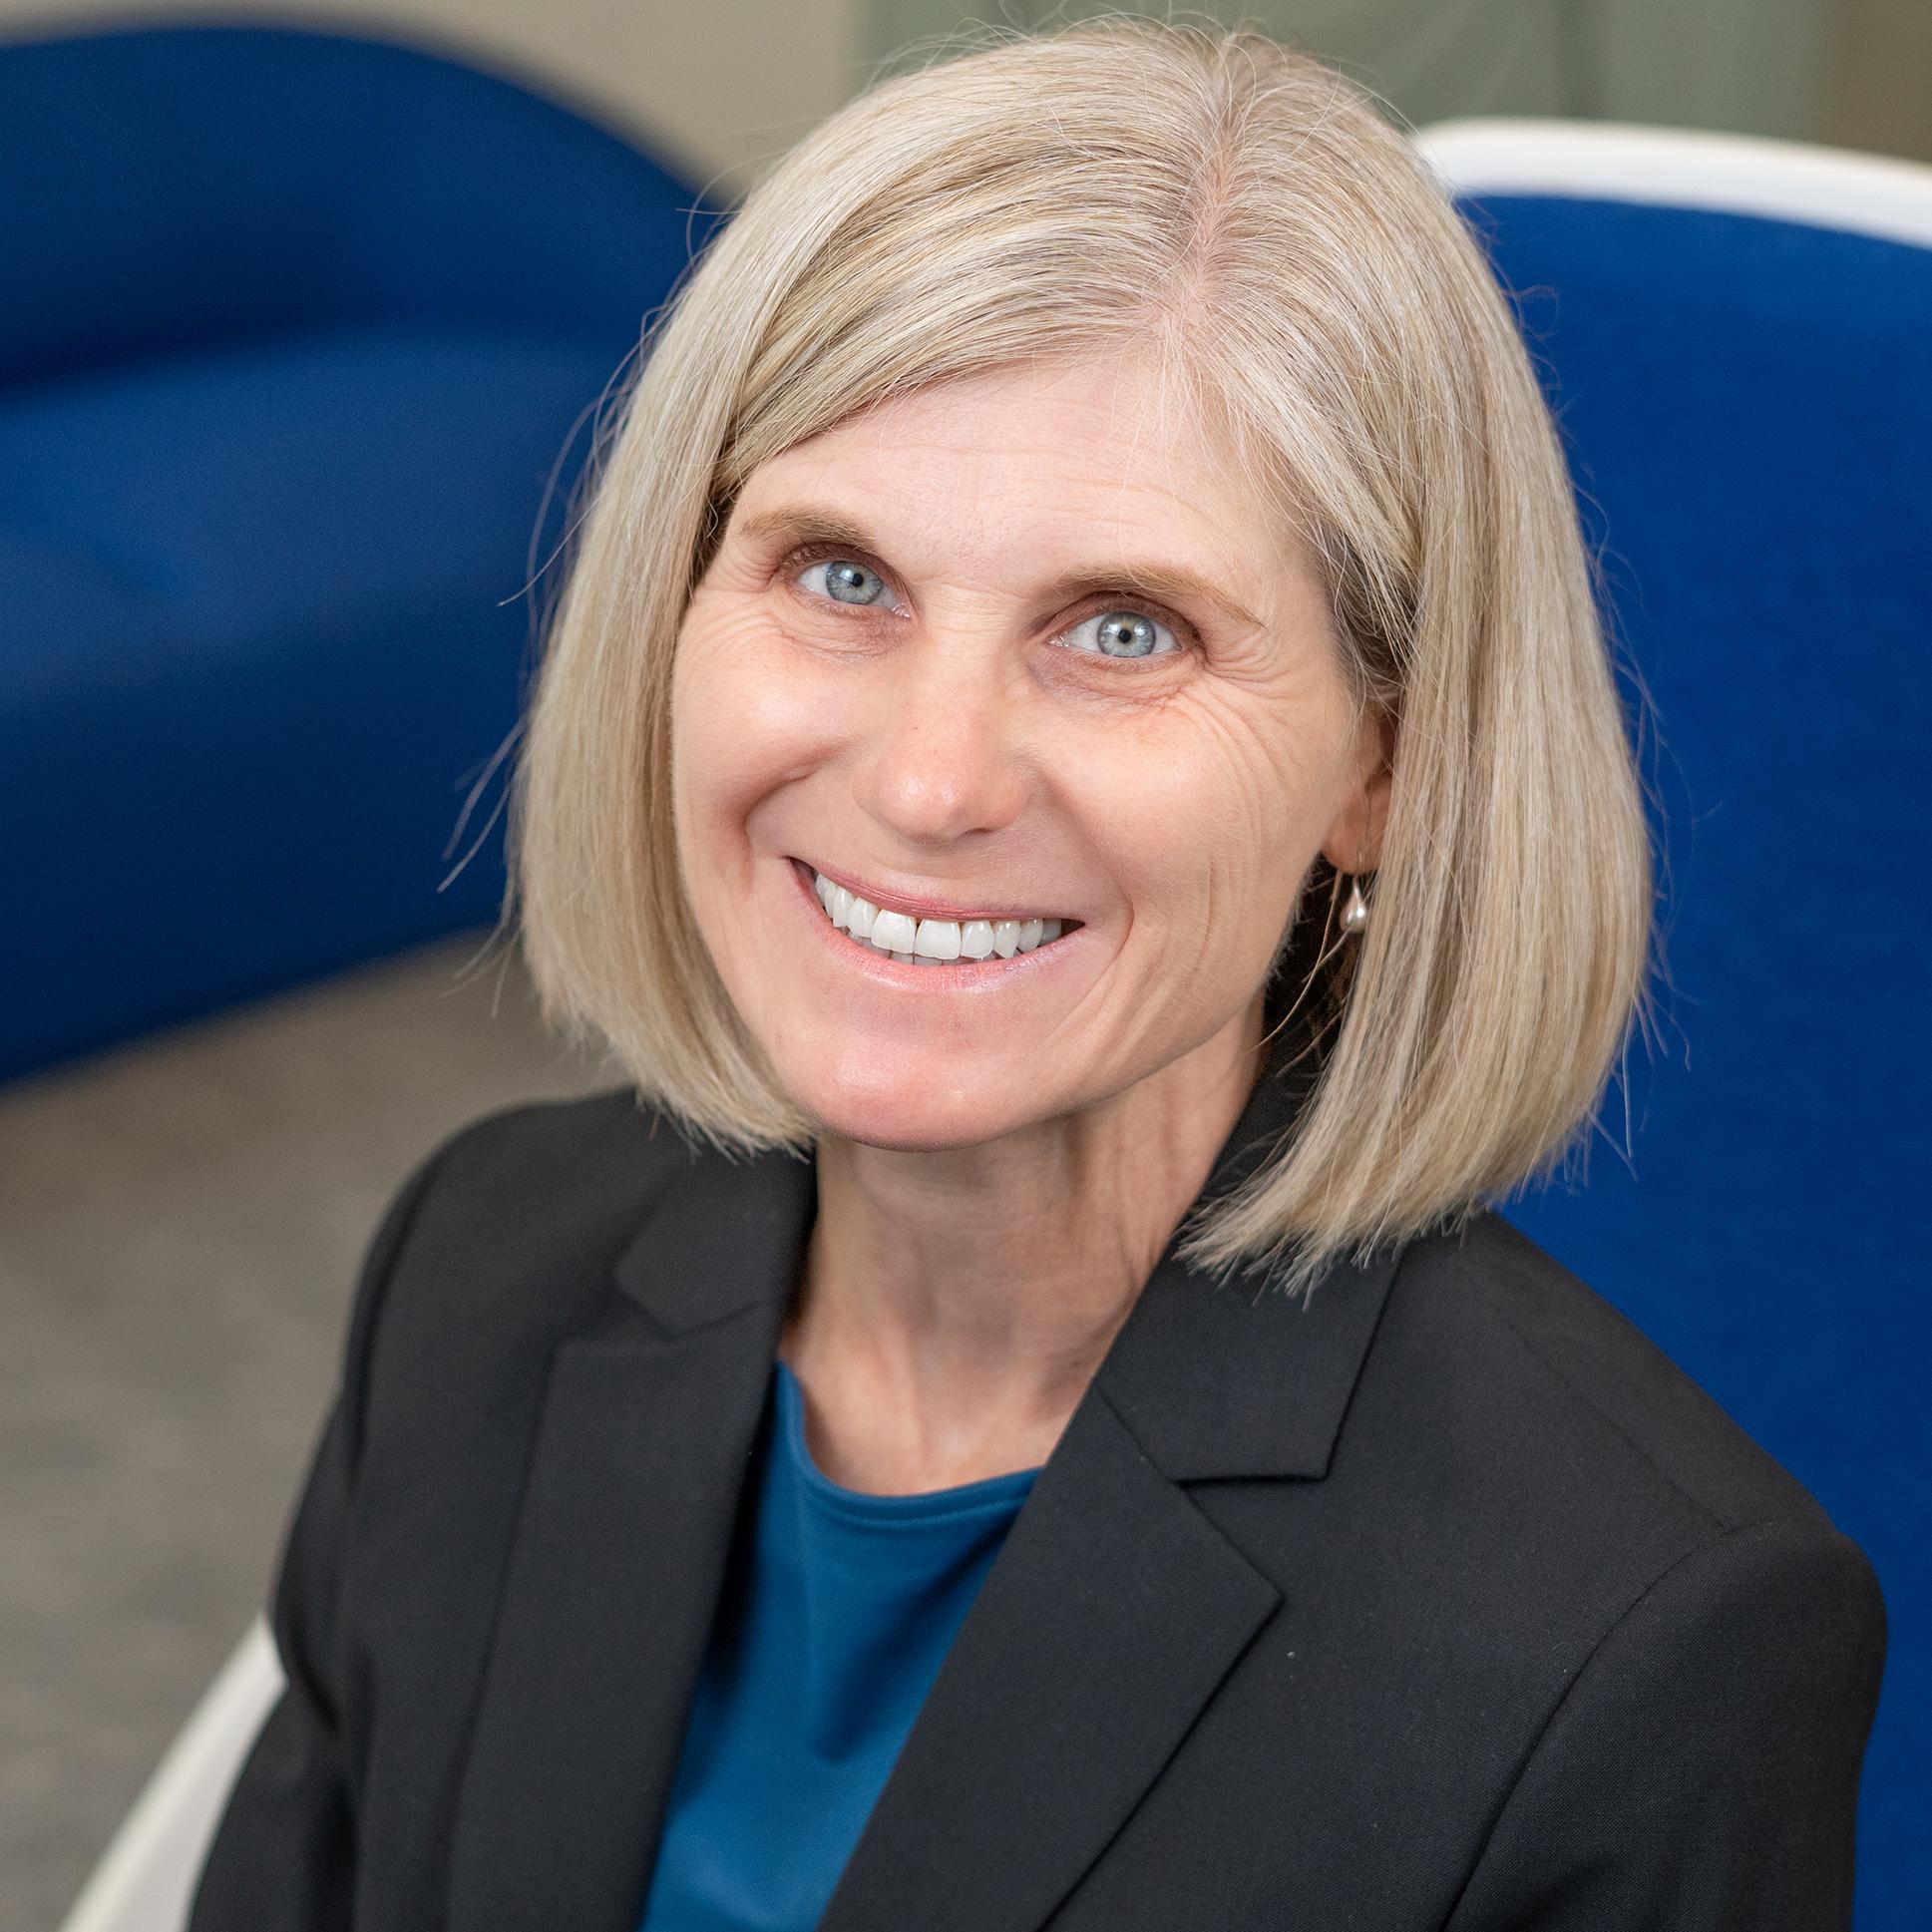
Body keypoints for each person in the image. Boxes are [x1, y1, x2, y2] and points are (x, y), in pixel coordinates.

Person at [189, 18, 1886, 1931]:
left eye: (1122, 627)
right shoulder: (481, 1267)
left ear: (1380, 765)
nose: (928, 778)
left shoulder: (1636, 1644)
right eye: (839, 575)